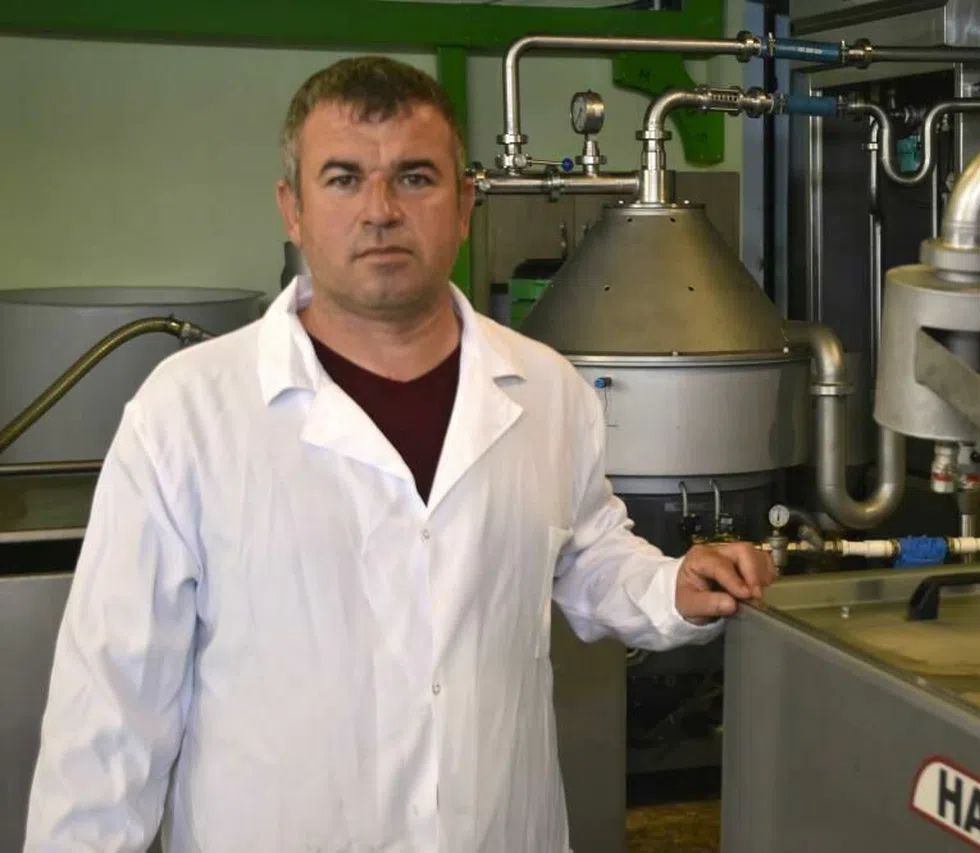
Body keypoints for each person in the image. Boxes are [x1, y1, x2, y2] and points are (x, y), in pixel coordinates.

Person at [24, 56, 774, 852]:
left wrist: (668, 587)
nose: (380, 210)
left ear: (464, 206)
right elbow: (110, 712)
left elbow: (586, 553)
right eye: (343, 179)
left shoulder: (548, 390)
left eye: (415, 178)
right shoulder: (187, 412)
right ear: (292, 209)